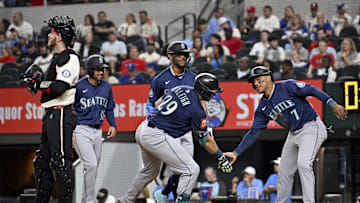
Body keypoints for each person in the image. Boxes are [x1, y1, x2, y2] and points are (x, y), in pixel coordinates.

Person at [224, 66, 347, 203]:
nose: (256, 84)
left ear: (269, 77)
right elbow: (254, 132)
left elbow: (311, 89)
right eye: (253, 82)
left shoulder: (287, 86)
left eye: (259, 80)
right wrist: (236, 152)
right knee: (284, 170)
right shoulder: (263, 107)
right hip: (294, 133)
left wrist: (332, 103)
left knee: (303, 164)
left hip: (311, 126)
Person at [117, 73, 232, 203]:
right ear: (204, 91)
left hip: (143, 128)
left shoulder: (181, 88)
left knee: (149, 171)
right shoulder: (197, 110)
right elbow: (204, 140)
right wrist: (220, 156)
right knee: (191, 170)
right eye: (212, 92)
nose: (214, 95)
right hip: (157, 135)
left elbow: (158, 103)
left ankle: (125, 200)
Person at [23, 15, 80, 202]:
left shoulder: (69, 57)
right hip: (51, 114)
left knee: (61, 162)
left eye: (52, 32)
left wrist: (39, 84)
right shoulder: (58, 57)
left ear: (60, 36)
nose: (48, 35)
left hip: (62, 112)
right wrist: (39, 85)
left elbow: (59, 87)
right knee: (41, 163)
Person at [146, 41, 197, 201]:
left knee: (186, 168)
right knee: (180, 168)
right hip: (169, 129)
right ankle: (172, 196)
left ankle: (165, 193)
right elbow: (150, 103)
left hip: (187, 129)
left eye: (185, 54)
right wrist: (155, 121)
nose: (183, 57)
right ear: (170, 56)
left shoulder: (194, 78)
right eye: (179, 54)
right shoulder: (160, 79)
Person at [73, 54, 117, 203]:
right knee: (90, 164)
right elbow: (70, 109)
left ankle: (85, 200)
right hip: (81, 129)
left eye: (102, 69)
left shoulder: (107, 86)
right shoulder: (79, 86)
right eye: (98, 69)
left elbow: (109, 109)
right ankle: (90, 201)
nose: (101, 72)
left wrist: (112, 125)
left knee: (93, 168)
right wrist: (71, 131)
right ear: (90, 70)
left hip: (98, 131)